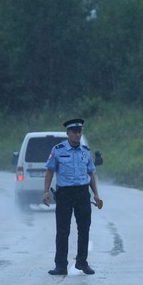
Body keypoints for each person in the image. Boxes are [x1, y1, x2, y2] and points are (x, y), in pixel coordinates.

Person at [43, 118, 102, 276]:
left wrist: (96, 195)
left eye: (79, 132)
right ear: (68, 133)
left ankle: (82, 262)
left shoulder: (85, 151)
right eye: (74, 132)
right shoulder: (58, 150)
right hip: (65, 194)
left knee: (84, 229)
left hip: (82, 193)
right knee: (63, 230)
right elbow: (49, 171)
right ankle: (61, 265)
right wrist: (46, 192)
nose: (77, 134)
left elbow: (91, 174)